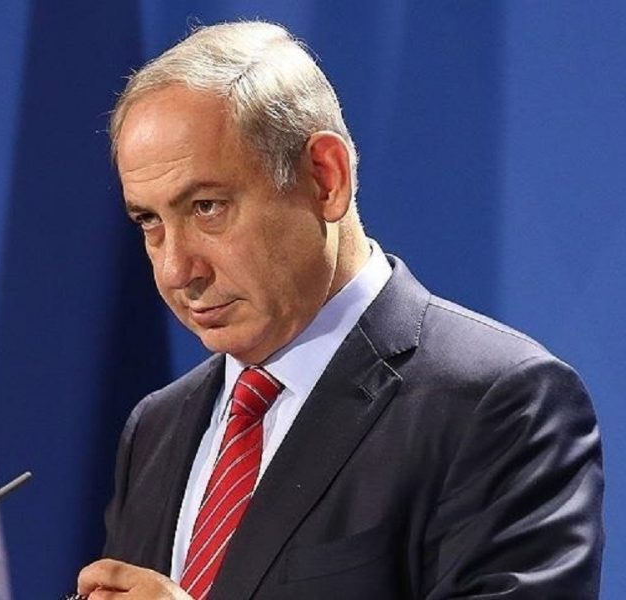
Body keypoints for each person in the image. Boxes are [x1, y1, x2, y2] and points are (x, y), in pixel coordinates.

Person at [75, 20, 603, 600]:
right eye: (149, 221)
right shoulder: (157, 427)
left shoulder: (497, 403)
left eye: (207, 207)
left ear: (326, 179)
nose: (177, 271)